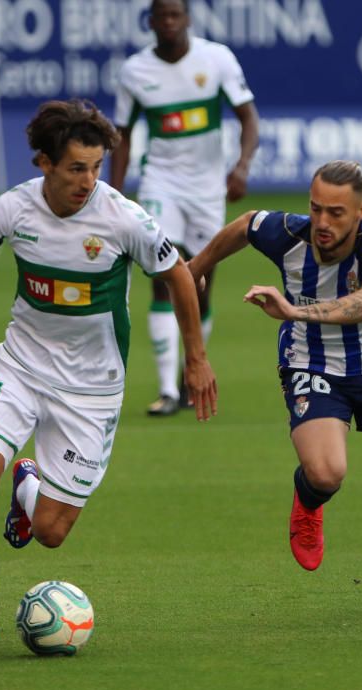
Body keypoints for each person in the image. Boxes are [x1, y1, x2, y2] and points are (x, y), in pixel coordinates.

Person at [0, 99, 217, 642]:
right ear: (44, 163)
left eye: (97, 167)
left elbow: (178, 275)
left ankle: (29, 481)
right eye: (77, 168)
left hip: (91, 389)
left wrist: (194, 359)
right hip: (21, 366)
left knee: (51, 534)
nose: (89, 180)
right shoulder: (12, 209)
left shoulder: (123, 218)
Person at [188, 160, 362, 616]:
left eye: (336, 213)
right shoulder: (287, 234)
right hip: (313, 365)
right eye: (316, 208)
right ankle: (308, 500)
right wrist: (199, 265)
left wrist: (295, 311)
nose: (322, 223)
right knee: (326, 473)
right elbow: (246, 224)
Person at [110, 0, 259, 416]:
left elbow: (248, 118)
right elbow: (120, 135)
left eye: (177, 15)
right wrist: (114, 195)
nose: (170, 22)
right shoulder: (135, 71)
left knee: (200, 278)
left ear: (188, 19)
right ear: (151, 22)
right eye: (163, 16)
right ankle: (167, 391)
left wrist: (241, 167)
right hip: (161, 181)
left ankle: (188, 374)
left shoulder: (216, 60)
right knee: (163, 273)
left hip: (208, 188)